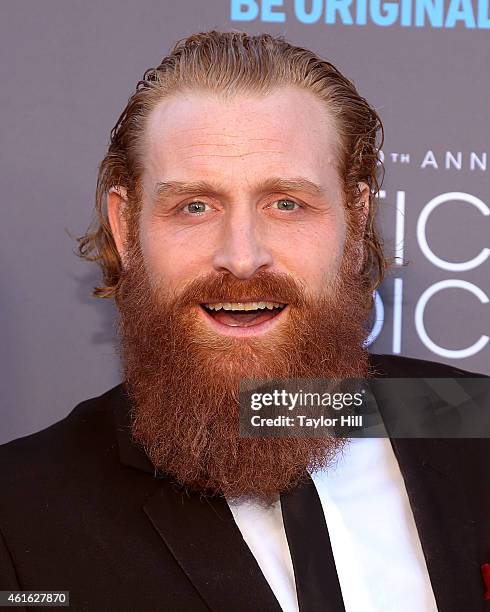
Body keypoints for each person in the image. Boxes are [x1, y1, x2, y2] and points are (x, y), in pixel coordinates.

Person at [0, 30, 488, 612]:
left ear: (356, 223)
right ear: (127, 228)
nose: (241, 255)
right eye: (195, 206)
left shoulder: (467, 417)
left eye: (287, 203)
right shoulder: (22, 511)